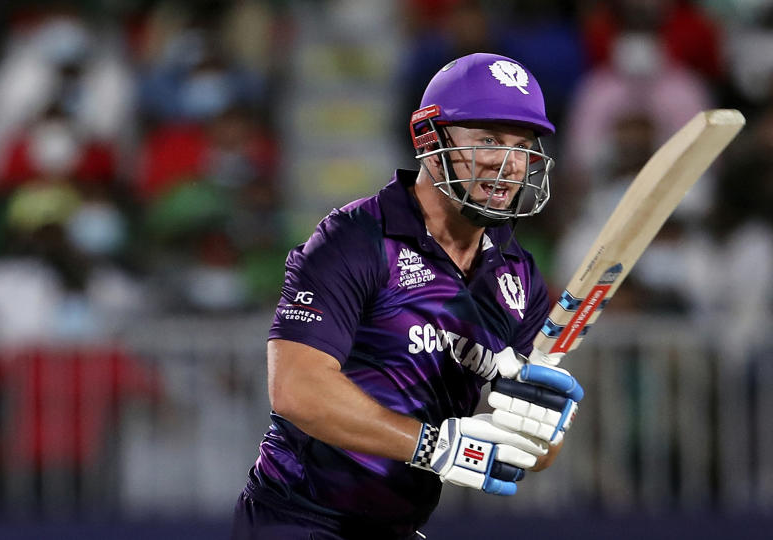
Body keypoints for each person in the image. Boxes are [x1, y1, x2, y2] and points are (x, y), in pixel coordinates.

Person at [232, 53, 583, 540]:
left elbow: (532, 454)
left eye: (523, 146)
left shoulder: (518, 276)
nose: (511, 164)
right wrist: (435, 448)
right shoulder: (355, 238)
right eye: (488, 141)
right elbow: (296, 390)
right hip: (296, 518)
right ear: (428, 139)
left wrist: (542, 424)